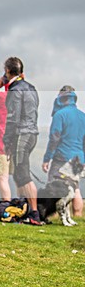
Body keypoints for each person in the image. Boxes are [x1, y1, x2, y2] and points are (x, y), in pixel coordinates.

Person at [2, 56, 42, 225]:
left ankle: (33, 213)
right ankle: (25, 209)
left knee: (22, 173)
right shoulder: (31, 88)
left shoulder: (15, 90)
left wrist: (7, 140)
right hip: (32, 133)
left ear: (7, 71)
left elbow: (13, 117)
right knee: (21, 173)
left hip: (21, 134)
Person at [42, 85, 85, 217]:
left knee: (53, 188)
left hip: (62, 157)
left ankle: (52, 216)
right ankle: (78, 215)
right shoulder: (82, 116)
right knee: (75, 187)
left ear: (60, 98)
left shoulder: (59, 115)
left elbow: (55, 137)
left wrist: (47, 158)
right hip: (78, 158)